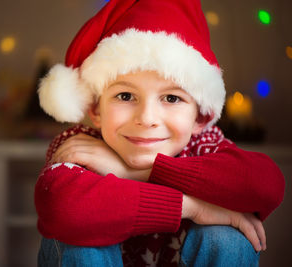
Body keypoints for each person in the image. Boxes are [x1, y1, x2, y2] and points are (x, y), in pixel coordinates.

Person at [34, 0, 285, 266]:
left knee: (226, 238)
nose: (147, 118)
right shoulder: (82, 145)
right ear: (96, 109)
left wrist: (135, 173)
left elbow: (267, 185)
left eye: (172, 98)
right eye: (126, 95)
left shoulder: (203, 145)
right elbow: (61, 207)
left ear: (200, 116)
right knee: (74, 234)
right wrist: (195, 208)